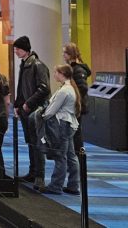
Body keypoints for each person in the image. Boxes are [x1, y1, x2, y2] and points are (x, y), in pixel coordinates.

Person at [12, 35, 51, 189]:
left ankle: (39, 176)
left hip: (36, 110)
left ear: (25, 49)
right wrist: (18, 104)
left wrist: (28, 103)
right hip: (26, 110)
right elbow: (21, 87)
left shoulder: (38, 65)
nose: (15, 51)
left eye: (17, 49)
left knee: (37, 143)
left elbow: (44, 88)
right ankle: (32, 172)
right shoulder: (24, 65)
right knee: (30, 142)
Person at [38, 64, 81, 195]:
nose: (54, 75)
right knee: (70, 155)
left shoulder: (64, 91)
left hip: (62, 124)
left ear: (62, 73)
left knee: (60, 156)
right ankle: (73, 185)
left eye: (56, 72)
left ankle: (56, 186)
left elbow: (52, 109)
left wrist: (42, 116)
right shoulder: (69, 88)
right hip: (69, 124)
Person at [64, 42, 91, 153]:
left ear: (70, 54)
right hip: (76, 105)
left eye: (65, 53)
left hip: (77, 106)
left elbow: (82, 88)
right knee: (74, 132)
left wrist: (73, 100)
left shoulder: (77, 69)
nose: (63, 55)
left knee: (76, 133)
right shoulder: (73, 68)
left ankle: (79, 158)